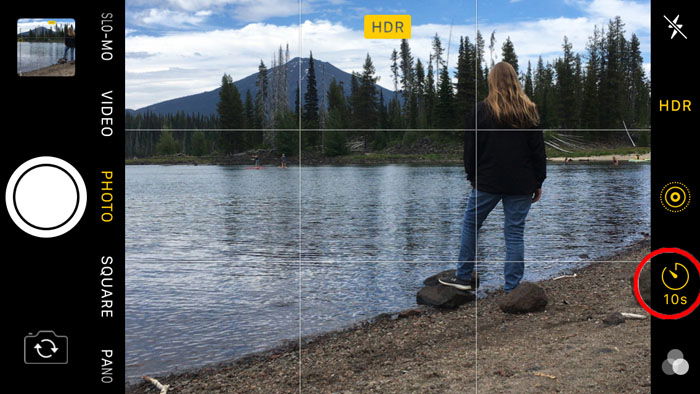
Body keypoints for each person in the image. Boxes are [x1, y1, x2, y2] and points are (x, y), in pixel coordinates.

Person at [439, 62, 546, 293]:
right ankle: (512, 289)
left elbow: (470, 150)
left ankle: (464, 277)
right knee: (514, 233)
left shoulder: (480, 111)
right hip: (521, 183)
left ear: (492, 81)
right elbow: (538, 151)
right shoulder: (529, 111)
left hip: (488, 181)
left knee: (471, 224)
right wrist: (538, 182)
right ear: (515, 80)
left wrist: (472, 177)